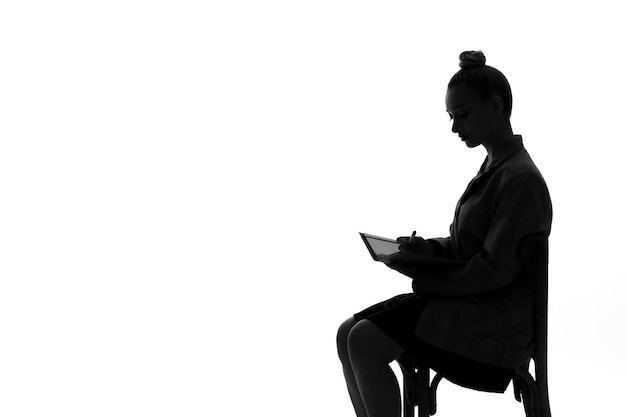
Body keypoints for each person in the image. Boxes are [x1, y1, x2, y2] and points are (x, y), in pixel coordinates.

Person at [336, 50, 552, 417]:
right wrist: (426, 251)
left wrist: (426, 279)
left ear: (496, 106)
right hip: (471, 305)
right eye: (452, 118)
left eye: (463, 115)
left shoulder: (520, 180)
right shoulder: (496, 169)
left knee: (364, 340)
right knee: (346, 334)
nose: (455, 128)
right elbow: (463, 245)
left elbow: (492, 269)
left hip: (495, 327)